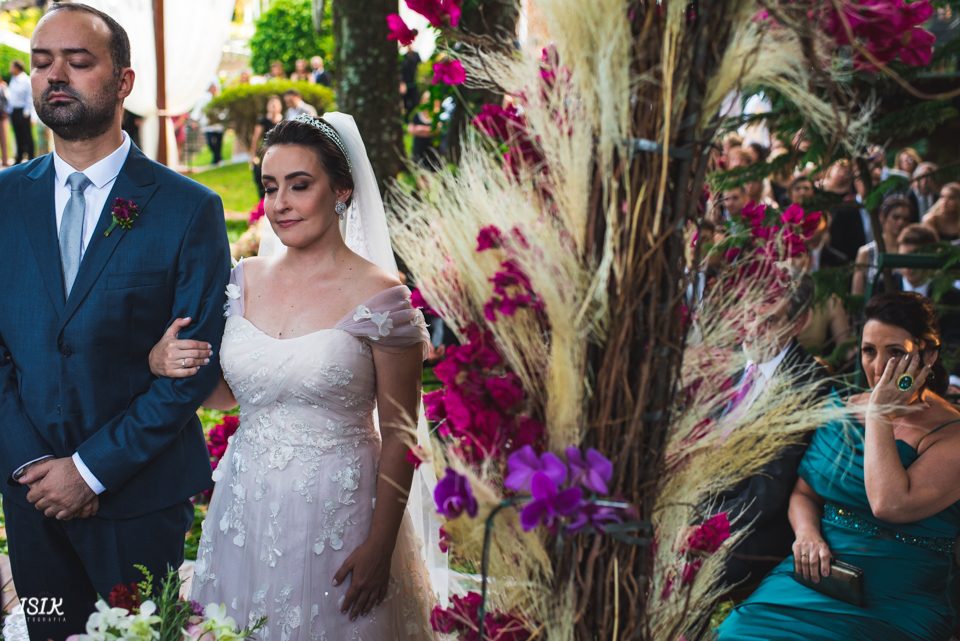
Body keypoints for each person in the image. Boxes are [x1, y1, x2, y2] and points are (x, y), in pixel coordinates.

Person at [148, 114, 437, 639]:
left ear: (342, 191)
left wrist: (379, 544)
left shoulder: (382, 297)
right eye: (270, 187)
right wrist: (164, 363)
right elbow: (230, 394)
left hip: (341, 512)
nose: (280, 203)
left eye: (300, 186)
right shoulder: (244, 278)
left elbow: (401, 434)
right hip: (245, 503)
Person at [0, 5, 230, 640]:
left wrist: (90, 469)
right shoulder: (2, 199)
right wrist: (32, 468)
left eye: (78, 62)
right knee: (50, 633)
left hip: (138, 500)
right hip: (31, 501)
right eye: (42, 62)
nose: (56, 76)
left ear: (124, 82)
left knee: (142, 637)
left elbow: (192, 367)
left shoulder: (189, 209)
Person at [718, 291, 960, 641]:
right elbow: (804, 493)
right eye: (869, 351)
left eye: (896, 353)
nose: (879, 368)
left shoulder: (951, 434)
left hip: (897, 593)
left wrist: (879, 414)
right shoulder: (841, 408)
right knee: (739, 632)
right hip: (819, 576)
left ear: (929, 355)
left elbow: (888, 503)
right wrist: (807, 535)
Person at [712, 265, 826, 588]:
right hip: (701, 505)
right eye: (749, 314)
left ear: (798, 323)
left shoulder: (808, 383)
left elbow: (769, 490)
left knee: (700, 573)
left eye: (770, 320)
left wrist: (707, 528)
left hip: (755, 525)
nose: (752, 329)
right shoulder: (729, 360)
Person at [852, 196, 913, 296]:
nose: (901, 222)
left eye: (906, 219)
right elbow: (857, 294)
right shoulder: (866, 252)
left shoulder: (910, 251)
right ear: (882, 217)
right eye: (896, 217)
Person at [250, 94, 283, 199]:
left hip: (280, 154)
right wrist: (252, 155)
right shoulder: (263, 120)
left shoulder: (284, 120)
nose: (273, 107)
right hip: (265, 153)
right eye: (271, 105)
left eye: (275, 105)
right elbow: (256, 138)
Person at [191, 83, 225, 166]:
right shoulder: (204, 97)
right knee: (210, 142)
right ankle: (217, 158)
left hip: (218, 124)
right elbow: (199, 109)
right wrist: (195, 121)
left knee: (219, 143)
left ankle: (217, 159)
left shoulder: (219, 97)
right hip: (208, 125)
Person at [7, 60, 33, 164]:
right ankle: (19, 158)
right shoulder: (13, 79)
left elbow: (29, 97)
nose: (10, 69)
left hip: (23, 112)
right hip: (14, 111)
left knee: (27, 137)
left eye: (11, 67)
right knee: (18, 136)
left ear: (17, 68)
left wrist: (26, 113)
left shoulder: (26, 80)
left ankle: (31, 158)